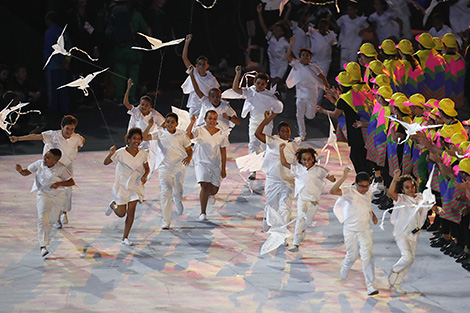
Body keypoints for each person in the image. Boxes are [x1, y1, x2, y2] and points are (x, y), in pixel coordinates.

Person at [10, 115, 85, 229]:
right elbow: (36, 136)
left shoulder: (76, 137)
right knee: (51, 191)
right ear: (62, 127)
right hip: (51, 168)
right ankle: (54, 217)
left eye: (72, 129)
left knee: (68, 190)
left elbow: (82, 141)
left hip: (66, 167)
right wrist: (19, 138)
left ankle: (63, 213)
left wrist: (73, 153)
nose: (70, 131)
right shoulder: (53, 135)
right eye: (67, 129)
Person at [15, 148, 75, 257]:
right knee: (43, 219)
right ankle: (43, 245)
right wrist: (20, 170)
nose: (44, 158)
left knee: (52, 220)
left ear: (55, 161)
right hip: (43, 194)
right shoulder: (39, 164)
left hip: (58, 196)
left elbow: (71, 182)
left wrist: (58, 184)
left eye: (48, 157)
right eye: (45, 156)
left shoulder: (61, 168)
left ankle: (54, 223)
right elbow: (26, 172)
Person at [330, 167, 379, 296]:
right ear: (356, 184)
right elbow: (333, 191)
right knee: (352, 255)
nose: (364, 189)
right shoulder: (349, 191)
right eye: (361, 186)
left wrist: (372, 214)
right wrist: (344, 177)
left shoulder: (368, 192)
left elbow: (366, 205)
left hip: (365, 230)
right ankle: (344, 268)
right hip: (350, 230)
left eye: (367, 186)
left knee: (367, 256)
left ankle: (370, 285)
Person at [387, 169, 436, 294]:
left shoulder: (420, 197)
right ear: (402, 190)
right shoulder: (401, 199)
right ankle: (394, 270)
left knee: (410, 260)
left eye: (413, 186)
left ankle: (396, 283)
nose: (411, 189)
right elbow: (390, 192)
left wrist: (437, 209)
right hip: (402, 233)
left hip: (414, 233)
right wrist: (395, 178)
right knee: (407, 257)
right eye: (407, 187)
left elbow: (430, 204)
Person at [280, 144, 335, 252]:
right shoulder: (298, 169)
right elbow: (284, 163)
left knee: (307, 222)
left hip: (314, 202)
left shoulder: (319, 170)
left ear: (313, 159)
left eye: (309, 159)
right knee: (300, 219)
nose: (307, 162)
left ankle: (302, 232)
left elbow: (329, 176)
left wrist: (332, 179)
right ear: (300, 160)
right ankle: (296, 243)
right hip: (302, 200)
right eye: (304, 159)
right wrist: (281, 150)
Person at [232, 65, 283, 180]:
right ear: (254, 82)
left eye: (262, 84)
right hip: (254, 122)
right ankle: (253, 171)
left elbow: (278, 109)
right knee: (253, 145)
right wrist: (238, 73)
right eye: (258, 83)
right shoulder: (250, 91)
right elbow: (235, 89)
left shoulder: (270, 96)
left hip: (266, 124)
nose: (260, 85)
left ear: (266, 84)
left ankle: (270, 169)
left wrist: (268, 120)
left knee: (266, 147)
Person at [143, 113, 192, 229]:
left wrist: (189, 157)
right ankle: (166, 221)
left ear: (176, 123)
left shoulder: (182, 134)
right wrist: (149, 125)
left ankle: (178, 200)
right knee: (165, 193)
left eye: (172, 122)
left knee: (178, 189)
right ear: (165, 122)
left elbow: (189, 149)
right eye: (168, 121)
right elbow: (145, 137)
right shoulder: (160, 133)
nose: (170, 124)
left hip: (179, 166)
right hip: (164, 167)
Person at [103, 127, 150, 246]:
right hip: (122, 185)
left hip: (135, 185)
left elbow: (147, 168)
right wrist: (110, 154)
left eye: (139, 139)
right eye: (134, 138)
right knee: (121, 213)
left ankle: (125, 237)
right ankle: (113, 204)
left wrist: (145, 176)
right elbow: (106, 162)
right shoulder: (120, 153)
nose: (137, 141)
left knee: (131, 211)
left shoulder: (144, 153)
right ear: (128, 139)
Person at [255, 111, 298, 230]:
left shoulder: (294, 145)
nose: (285, 133)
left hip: (288, 181)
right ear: (278, 132)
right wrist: (266, 120)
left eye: (287, 131)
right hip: (273, 180)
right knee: (272, 207)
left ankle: (283, 233)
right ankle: (267, 217)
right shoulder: (272, 140)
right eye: (283, 131)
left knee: (285, 207)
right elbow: (257, 133)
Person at [186, 110, 229, 221]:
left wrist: (223, 168)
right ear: (205, 119)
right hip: (201, 163)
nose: (212, 121)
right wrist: (191, 123)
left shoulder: (221, 133)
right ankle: (203, 212)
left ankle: (209, 195)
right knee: (204, 185)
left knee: (213, 190)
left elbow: (223, 151)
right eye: (210, 118)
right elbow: (187, 136)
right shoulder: (199, 130)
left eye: (214, 119)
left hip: (215, 164)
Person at [286, 37, 328, 140]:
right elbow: (288, 56)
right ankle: (302, 134)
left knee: (310, 116)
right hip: (300, 95)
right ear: (300, 57)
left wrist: (326, 87)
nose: (305, 57)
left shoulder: (314, 67)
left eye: (307, 55)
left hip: (312, 95)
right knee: (299, 115)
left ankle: (311, 112)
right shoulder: (297, 65)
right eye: (303, 55)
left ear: (310, 57)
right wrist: (291, 44)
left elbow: (322, 77)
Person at [123, 78, 164, 175]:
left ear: (150, 106)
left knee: (145, 165)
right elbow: (126, 103)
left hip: (147, 144)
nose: (143, 107)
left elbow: (164, 125)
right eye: (142, 104)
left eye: (146, 105)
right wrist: (129, 87)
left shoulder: (155, 115)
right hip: (135, 140)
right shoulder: (136, 111)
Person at [188, 65, 240, 132]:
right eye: (213, 97)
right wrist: (192, 75)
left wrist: (228, 117)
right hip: (206, 132)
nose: (215, 99)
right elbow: (197, 90)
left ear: (220, 97)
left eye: (217, 96)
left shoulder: (225, 106)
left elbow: (238, 122)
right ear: (209, 97)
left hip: (221, 133)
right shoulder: (206, 102)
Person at [181, 34, 220, 117]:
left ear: (207, 66)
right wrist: (187, 42)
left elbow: (217, 93)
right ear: (196, 65)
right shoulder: (193, 71)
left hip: (206, 104)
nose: (202, 66)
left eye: (203, 64)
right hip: (194, 104)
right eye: (200, 64)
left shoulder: (211, 78)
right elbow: (184, 58)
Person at [257, 3, 290, 88]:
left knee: (276, 81)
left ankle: (280, 89)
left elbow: (290, 52)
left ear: (282, 32)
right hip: (273, 63)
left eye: (279, 30)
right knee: (272, 82)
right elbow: (263, 26)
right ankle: (281, 89)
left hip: (282, 64)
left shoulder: (285, 41)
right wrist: (259, 13)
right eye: (275, 29)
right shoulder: (271, 37)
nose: (277, 31)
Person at [333, 2, 369, 67]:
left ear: (355, 10)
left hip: (354, 45)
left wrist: (363, 30)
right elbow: (337, 26)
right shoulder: (343, 18)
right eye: (348, 10)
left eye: (351, 10)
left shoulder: (360, 20)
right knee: (343, 61)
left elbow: (368, 27)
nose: (350, 11)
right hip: (345, 44)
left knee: (352, 62)